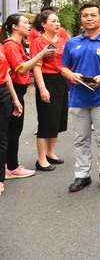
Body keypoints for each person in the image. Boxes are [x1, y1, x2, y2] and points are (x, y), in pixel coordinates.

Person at [61, 4, 100, 192]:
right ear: (81, 19)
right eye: (85, 15)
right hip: (78, 98)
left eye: (93, 15)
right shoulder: (72, 43)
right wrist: (70, 76)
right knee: (81, 138)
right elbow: (63, 66)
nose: (89, 18)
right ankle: (82, 175)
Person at [2, 14, 55, 179]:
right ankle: (12, 166)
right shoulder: (10, 45)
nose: (28, 25)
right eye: (25, 23)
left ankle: (9, 165)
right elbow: (21, 69)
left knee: (12, 130)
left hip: (18, 90)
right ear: (14, 27)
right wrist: (41, 55)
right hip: (14, 91)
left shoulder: (18, 44)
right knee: (12, 131)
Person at [30, 10, 68, 171]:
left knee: (57, 118)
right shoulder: (38, 42)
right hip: (46, 81)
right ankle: (41, 159)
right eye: (53, 21)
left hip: (61, 81)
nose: (57, 24)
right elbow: (36, 68)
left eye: (58, 21)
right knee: (46, 119)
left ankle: (51, 152)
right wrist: (42, 88)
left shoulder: (61, 41)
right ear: (44, 24)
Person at [0, 36, 23, 196]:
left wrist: (14, 99)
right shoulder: (8, 45)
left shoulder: (1, 46)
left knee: (2, 137)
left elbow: (6, 74)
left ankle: (1, 178)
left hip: (2, 93)